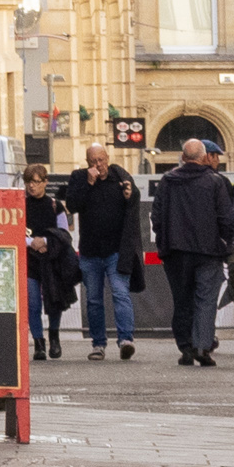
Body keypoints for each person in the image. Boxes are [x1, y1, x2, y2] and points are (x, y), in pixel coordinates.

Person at [148, 139, 234, 364]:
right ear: (204, 156)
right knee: (206, 300)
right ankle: (202, 346)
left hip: (176, 251)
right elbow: (226, 218)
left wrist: (164, 241)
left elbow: (156, 216)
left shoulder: (168, 181)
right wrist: (224, 241)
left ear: (183, 156)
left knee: (182, 300)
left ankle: (186, 348)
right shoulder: (215, 182)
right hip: (208, 250)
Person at [67, 147, 146, 359]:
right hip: (91, 251)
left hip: (116, 250)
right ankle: (98, 344)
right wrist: (88, 184)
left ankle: (126, 340)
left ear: (107, 159)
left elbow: (134, 198)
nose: (98, 165)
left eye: (101, 160)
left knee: (120, 293)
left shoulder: (119, 176)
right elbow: (72, 205)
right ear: (87, 162)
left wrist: (131, 195)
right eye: (93, 161)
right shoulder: (79, 177)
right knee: (93, 299)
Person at [23, 178, 82, 355]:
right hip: (30, 259)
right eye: (28, 182)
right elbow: (15, 229)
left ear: (45, 182)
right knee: (33, 304)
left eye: (35, 181)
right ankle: (39, 343)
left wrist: (46, 241)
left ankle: (54, 339)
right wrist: (31, 241)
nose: (31, 185)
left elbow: (64, 234)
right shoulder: (21, 205)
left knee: (55, 300)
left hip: (52, 259)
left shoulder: (55, 206)